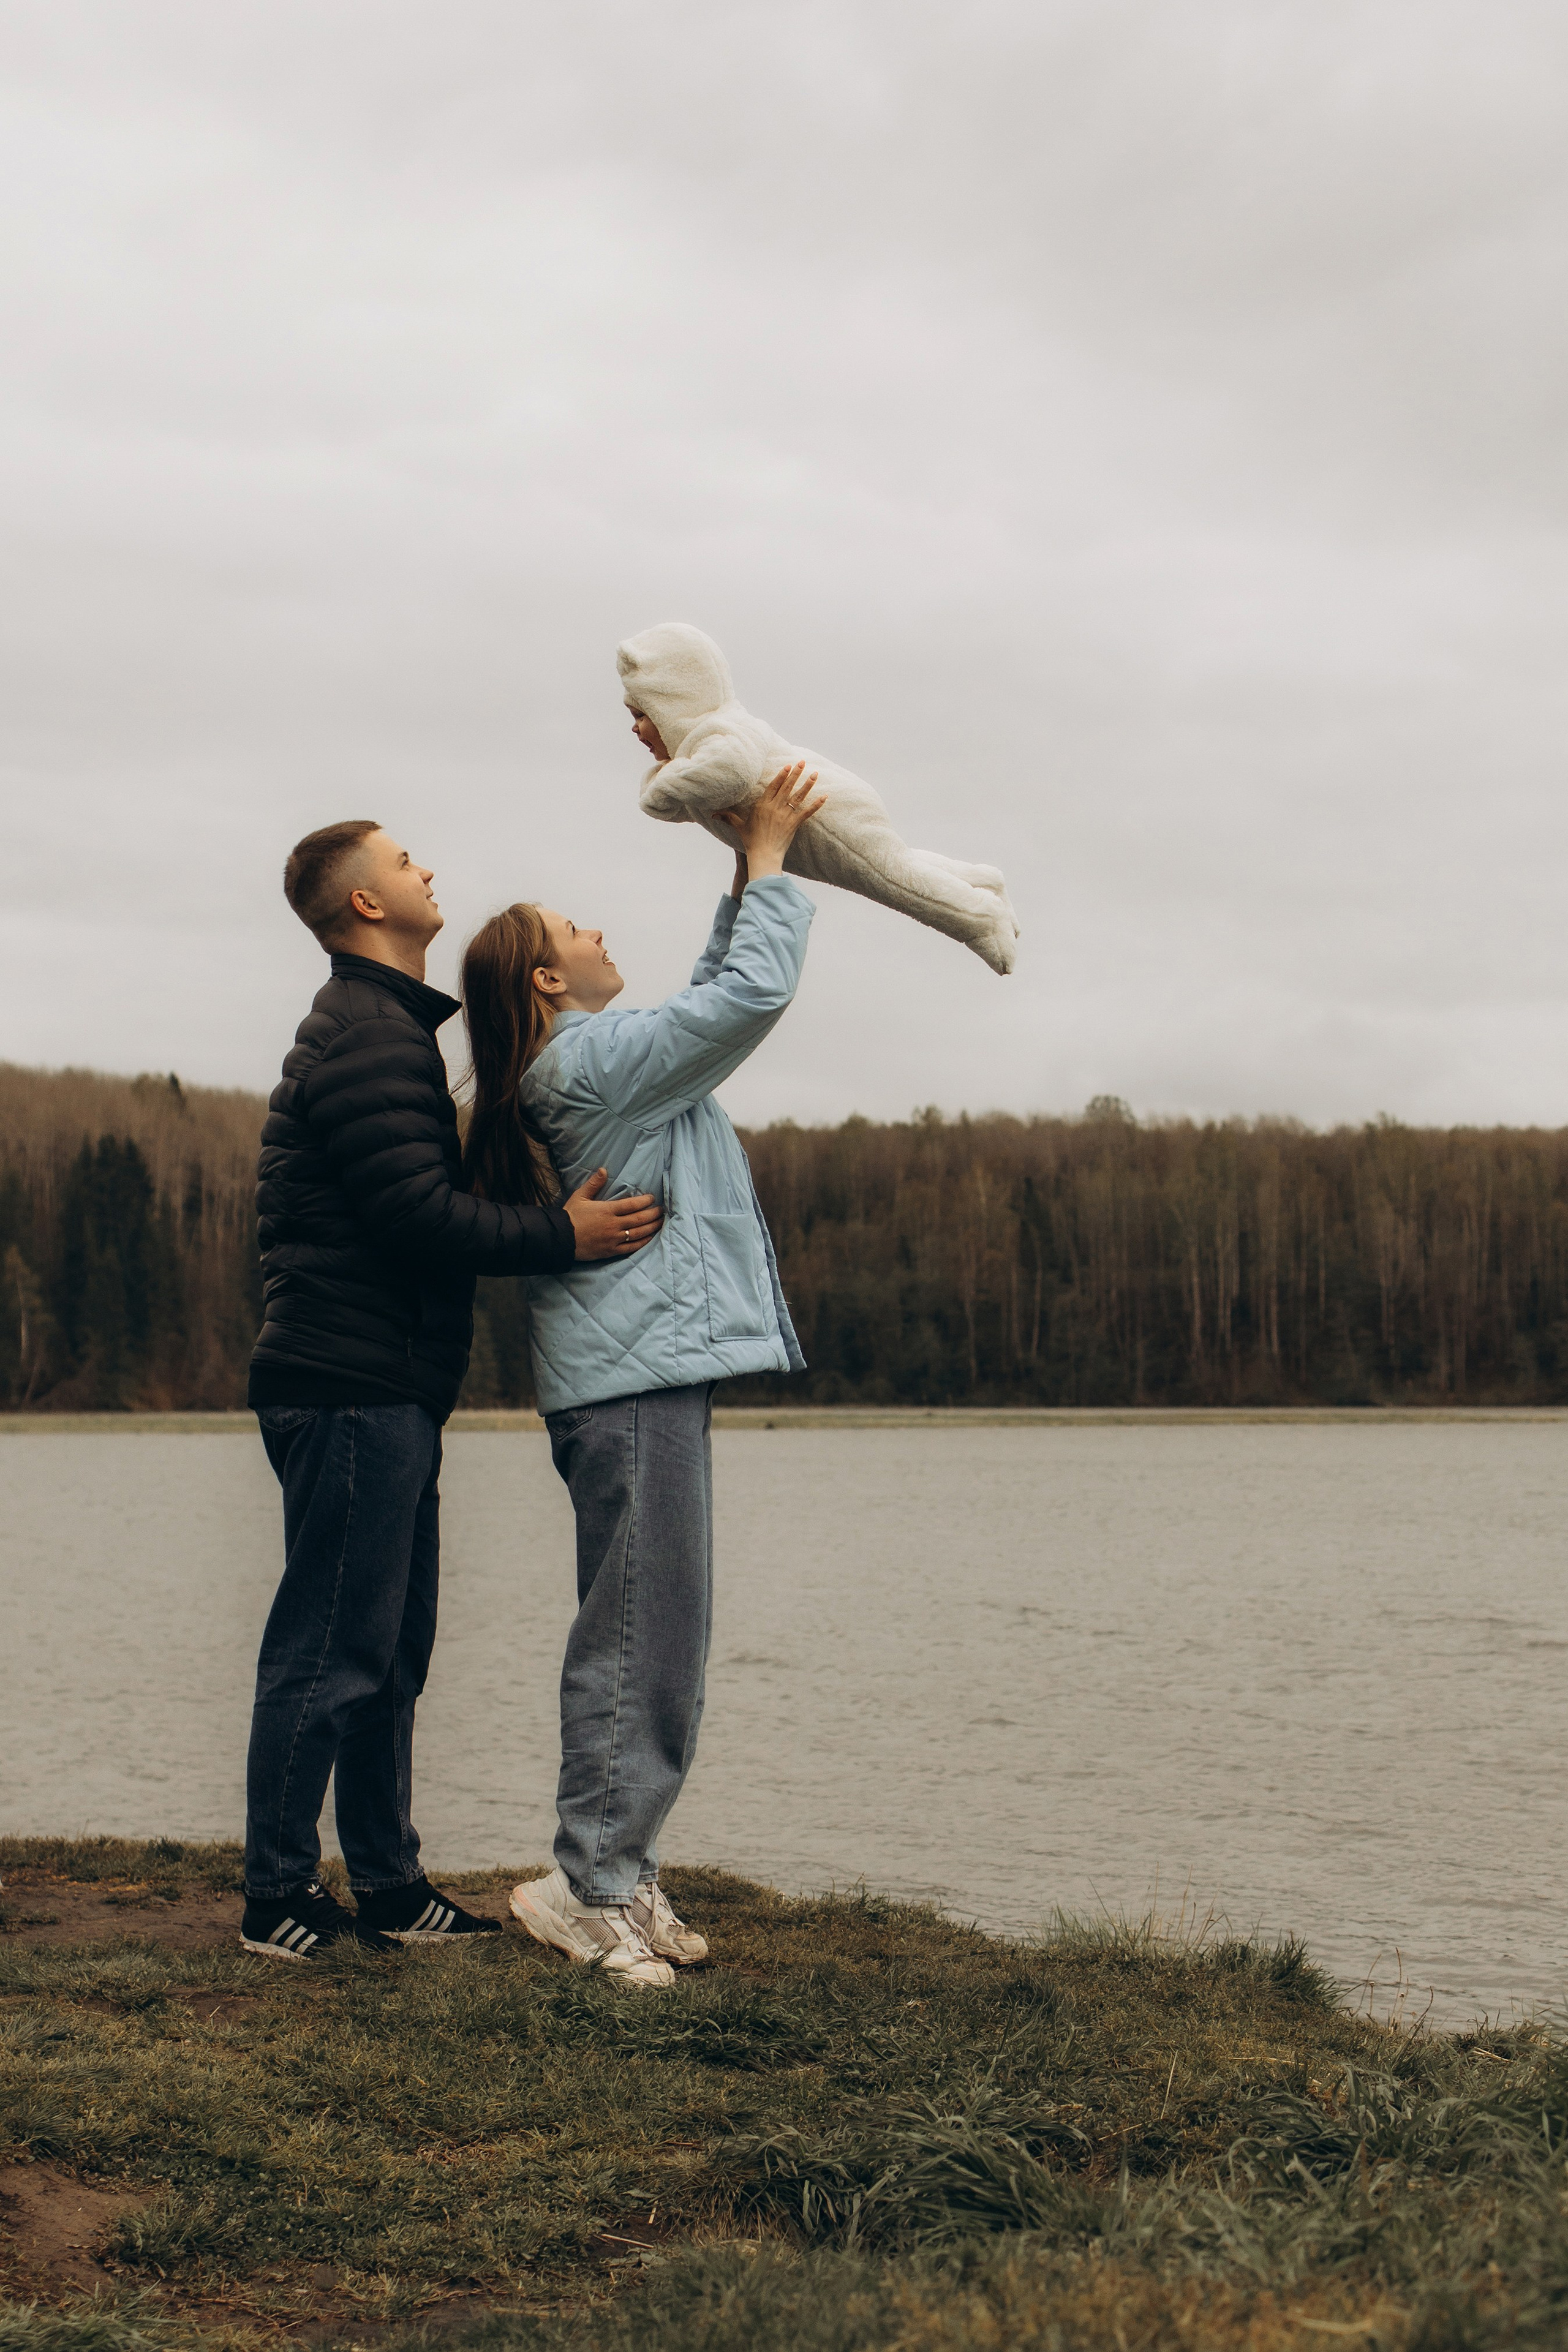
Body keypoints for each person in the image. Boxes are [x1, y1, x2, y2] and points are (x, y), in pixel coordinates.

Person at [240, 819, 663, 1961]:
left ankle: (386, 1882)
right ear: (367, 904)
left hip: (385, 1386)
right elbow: (415, 1216)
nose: (424, 868)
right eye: (402, 860)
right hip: (348, 1383)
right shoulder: (368, 1035)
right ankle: (278, 1894)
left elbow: (417, 1198)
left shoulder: (388, 1029)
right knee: (331, 1647)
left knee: (389, 1649)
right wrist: (562, 1235)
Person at [460, 763, 823, 1988]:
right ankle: (590, 1884)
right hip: (628, 1383)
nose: (601, 932)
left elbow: (711, 996)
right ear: (545, 979)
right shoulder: (589, 1063)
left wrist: (746, 866)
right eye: (576, 928)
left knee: (661, 1628)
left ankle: (622, 1864)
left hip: (639, 1374)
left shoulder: (602, 1057)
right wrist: (767, 862)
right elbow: (747, 997)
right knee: (639, 1632)